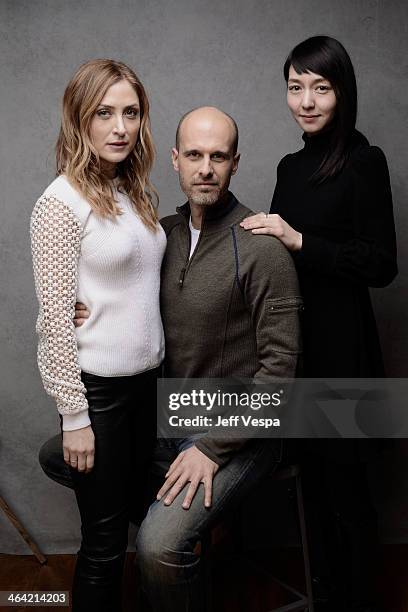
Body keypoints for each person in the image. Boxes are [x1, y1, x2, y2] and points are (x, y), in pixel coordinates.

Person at [66, 105, 302, 610]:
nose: (206, 168)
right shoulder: (160, 235)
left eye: (218, 156)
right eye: (194, 155)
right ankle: (176, 515)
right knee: (60, 455)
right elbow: (119, 283)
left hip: (241, 430)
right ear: (174, 159)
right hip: (170, 415)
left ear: (236, 162)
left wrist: (213, 447)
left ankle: (172, 531)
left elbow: (280, 380)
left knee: (157, 548)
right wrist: (80, 305)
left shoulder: (262, 247)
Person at [240, 36, 397, 612]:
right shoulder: (289, 167)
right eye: (295, 87)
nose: (306, 100)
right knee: (311, 488)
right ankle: (324, 597)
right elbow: (276, 261)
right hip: (295, 350)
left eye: (321, 87)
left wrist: (300, 239)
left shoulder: (364, 160)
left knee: (350, 492)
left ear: (341, 92)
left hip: (346, 348)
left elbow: (382, 264)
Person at [30, 59, 166, 612]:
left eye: (130, 113)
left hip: (148, 387)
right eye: (104, 113)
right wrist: (74, 416)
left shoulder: (131, 191)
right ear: (79, 120)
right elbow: (55, 322)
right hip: (101, 395)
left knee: (150, 530)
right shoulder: (60, 204)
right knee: (106, 543)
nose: (119, 127)